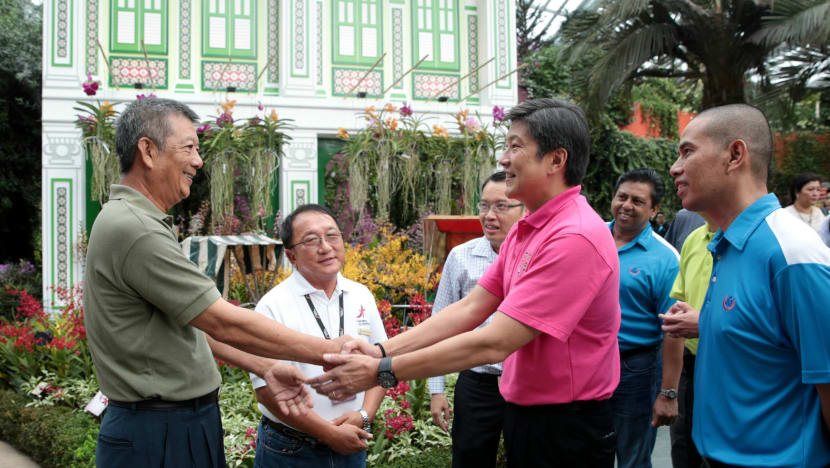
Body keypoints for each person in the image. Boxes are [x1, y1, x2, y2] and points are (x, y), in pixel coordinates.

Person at [310, 98, 622, 467]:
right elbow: (471, 307)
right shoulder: (529, 228)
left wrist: (383, 371)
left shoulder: (573, 237)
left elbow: (496, 342)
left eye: (516, 146)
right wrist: (382, 351)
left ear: (556, 160)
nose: (503, 159)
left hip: (568, 423)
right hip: (530, 413)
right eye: (505, 146)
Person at [84, 98, 353, 467]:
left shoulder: (138, 221)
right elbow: (221, 319)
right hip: (159, 430)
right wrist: (328, 353)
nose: (198, 160)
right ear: (147, 150)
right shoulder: (136, 229)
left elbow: (192, 323)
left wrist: (264, 366)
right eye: (190, 147)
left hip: (173, 424)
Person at [662, 104, 830, 467]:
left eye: (687, 151)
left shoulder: (792, 254)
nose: (675, 168)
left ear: (735, 155)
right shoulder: (724, 246)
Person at [250, 204, 383, 467]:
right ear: (291, 255)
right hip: (290, 450)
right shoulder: (272, 306)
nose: (325, 247)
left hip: (351, 442)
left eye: (332, 236)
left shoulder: (361, 295)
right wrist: (330, 434)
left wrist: (364, 415)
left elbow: (383, 362)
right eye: (311, 240)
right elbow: (266, 391)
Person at [428, 171, 524, 468]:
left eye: (501, 206)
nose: (489, 215)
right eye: (484, 205)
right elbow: (439, 323)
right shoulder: (461, 256)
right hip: (478, 383)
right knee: (469, 459)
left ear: (524, 210)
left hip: (525, 383)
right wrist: (436, 390)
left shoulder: (538, 257)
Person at [607, 168, 682, 468]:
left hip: (635, 369)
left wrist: (668, 393)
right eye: (622, 197)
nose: (626, 205)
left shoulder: (665, 258)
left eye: (637, 201)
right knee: (583, 448)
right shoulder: (589, 237)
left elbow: (673, 330)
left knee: (632, 456)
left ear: (654, 210)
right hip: (584, 363)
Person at [666, 215, 716, 468]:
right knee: (684, 446)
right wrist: (669, 390)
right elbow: (677, 315)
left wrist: (707, 325)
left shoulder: (776, 241)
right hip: (691, 365)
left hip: (735, 368)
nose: (676, 171)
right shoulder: (694, 238)